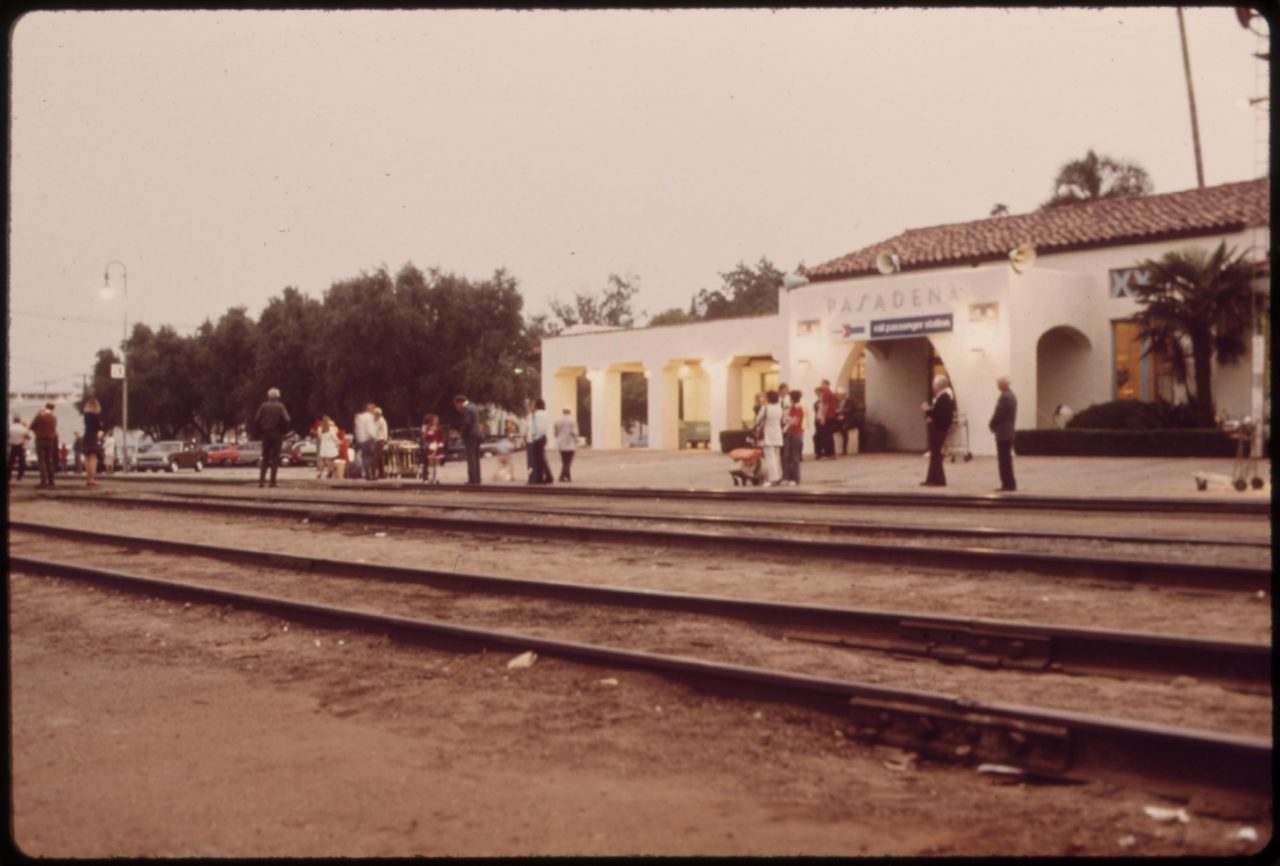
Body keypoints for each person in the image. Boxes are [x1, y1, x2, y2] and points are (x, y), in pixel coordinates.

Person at [921, 374, 955, 487]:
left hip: (939, 429)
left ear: (938, 386)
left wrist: (927, 410)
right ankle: (931, 478)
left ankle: (939, 479)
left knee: (936, 455)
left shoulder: (943, 398)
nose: (933, 386)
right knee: (934, 454)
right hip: (939, 428)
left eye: (934, 384)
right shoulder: (943, 397)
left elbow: (938, 415)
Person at [253, 387, 292, 488]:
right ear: (278, 396)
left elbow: (257, 419)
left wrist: (259, 431)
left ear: (268, 396)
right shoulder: (280, 406)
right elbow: (287, 419)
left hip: (265, 433)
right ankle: (272, 482)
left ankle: (261, 481)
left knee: (265, 457)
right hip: (277, 434)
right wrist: (284, 430)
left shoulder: (263, 406)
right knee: (275, 458)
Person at [989, 375, 1018, 492]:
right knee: (1007, 459)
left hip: (1003, 432)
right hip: (1008, 431)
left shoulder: (1005, 397)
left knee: (1003, 460)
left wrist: (991, 424)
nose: (997, 386)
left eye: (999, 383)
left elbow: (999, 413)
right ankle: (1010, 482)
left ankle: (1007, 483)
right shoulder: (1012, 396)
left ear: (1004, 384)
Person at [755, 389, 784, 486]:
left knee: (770, 457)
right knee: (776, 457)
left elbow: (757, 420)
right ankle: (778, 476)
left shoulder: (765, 408)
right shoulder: (779, 407)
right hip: (777, 434)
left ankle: (773, 479)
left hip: (768, 434)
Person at [454, 394, 483, 485]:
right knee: (476, 457)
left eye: (456, 405)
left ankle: (472, 480)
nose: (457, 407)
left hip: (471, 435)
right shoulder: (473, 406)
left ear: (460, 402)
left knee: (471, 457)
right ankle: (477, 479)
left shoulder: (466, 409)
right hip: (478, 434)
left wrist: (461, 434)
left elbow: (466, 423)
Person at [30, 403, 58, 488]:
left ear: (45, 407)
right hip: (50, 440)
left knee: (41, 461)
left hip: (40, 440)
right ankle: (51, 481)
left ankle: (43, 482)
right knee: (49, 460)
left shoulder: (40, 416)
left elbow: (32, 426)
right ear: (53, 409)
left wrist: (38, 415)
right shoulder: (54, 418)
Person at [782, 389, 805, 485]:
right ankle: (786, 477)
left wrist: (788, 419)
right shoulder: (791, 408)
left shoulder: (798, 408)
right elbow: (785, 419)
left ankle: (795, 479)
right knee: (786, 457)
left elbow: (795, 422)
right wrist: (788, 419)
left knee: (795, 457)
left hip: (796, 434)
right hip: (789, 433)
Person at [527, 398, 553, 484]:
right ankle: (548, 476)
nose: (532, 406)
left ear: (537, 405)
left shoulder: (537, 415)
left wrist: (535, 437)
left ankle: (540, 478)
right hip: (543, 437)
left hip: (538, 438)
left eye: (534, 404)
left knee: (538, 460)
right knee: (541, 458)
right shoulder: (545, 414)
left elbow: (538, 428)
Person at [81, 398, 105, 487]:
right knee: (93, 458)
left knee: (87, 459)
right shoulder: (95, 416)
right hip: (92, 437)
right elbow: (99, 429)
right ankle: (92, 479)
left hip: (86, 436)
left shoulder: (86, 416)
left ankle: (88, 478)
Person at [553, 406, 579, 482]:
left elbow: (555, 432)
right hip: (570, 443)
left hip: (561, 443)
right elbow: (574, 432)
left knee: (564, 461)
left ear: (563, 411)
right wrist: (576, 440)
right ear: (569, 411)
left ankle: (564, 476)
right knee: (568, 461)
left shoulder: (558, 420)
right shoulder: (572, 420)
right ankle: (565, 477)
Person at [353, 404, 378, 481]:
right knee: (372, 457)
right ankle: (373, 474)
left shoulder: (360, 417)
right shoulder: (369, 417)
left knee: (365, 458)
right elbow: (370, 429)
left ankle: (367, 473)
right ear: (370, 409)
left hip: (361, 440)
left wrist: (359, 439)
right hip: (369, 439)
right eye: (373, 409)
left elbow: (356, 429)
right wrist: (375, 437)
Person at [421, 414, 445, 484]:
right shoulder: (427, 428)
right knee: (430, 462)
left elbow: (442, 437)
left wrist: (440, 443)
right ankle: (430, 477)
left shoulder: (439, 428)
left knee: (437, 462)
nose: (436, 421)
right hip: (430, 447)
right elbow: (425, 436)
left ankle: (437, 477)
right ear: (431, 421)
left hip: (438, 447)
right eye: (435, 420)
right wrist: (430, 432)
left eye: (437, 420)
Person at [8, 415, 30, 482]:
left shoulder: (10, 428)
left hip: (12, 446)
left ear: (13, 420)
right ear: (19, 421)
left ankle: (8, 476)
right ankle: (19, 476)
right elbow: (28, 437)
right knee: (21, 462)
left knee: (10, 462)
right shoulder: (22, 428)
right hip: (21, 446)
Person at [373, 407, 389, 480]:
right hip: (376, 440)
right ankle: (381, 473)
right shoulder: (376, 421)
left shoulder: (381, 421)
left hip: (380, 440)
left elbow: (385, 431)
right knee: (380, 458)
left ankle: (377, 473)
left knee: (377, 457)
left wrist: (385, 440)